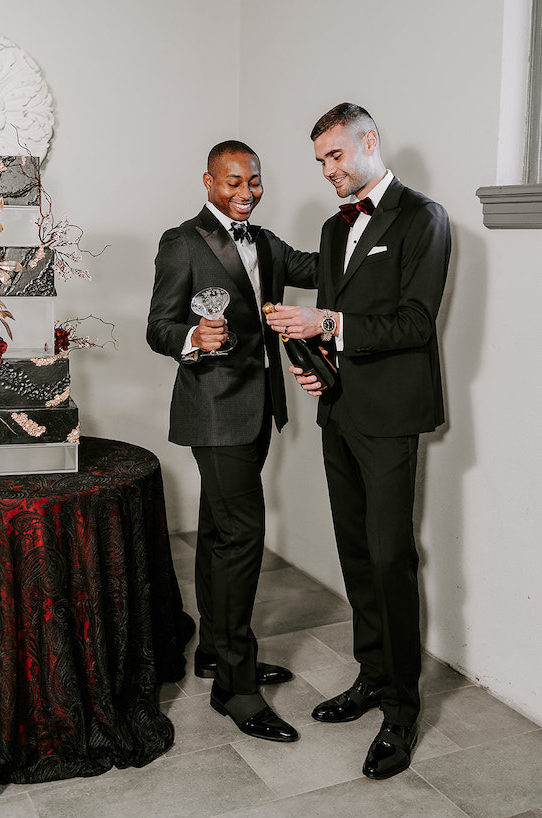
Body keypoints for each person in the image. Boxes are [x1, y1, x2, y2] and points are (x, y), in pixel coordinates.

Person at [265, 103, 451, 778]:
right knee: (356, 553)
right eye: (319, 161)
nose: (328, 171)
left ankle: (402, 710)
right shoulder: (331, 226)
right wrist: (321, 369)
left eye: (336, 156)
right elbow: (337, 326)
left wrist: (326, 322)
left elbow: (413, 324)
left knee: (391, 555)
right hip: (339, 414)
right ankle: (372, 674)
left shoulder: (423, 218)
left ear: (369, 142)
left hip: (391, 418)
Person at [147, 140, 318, 743]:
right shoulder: (182, 241)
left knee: (221, 532)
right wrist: (193, 334)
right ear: (208, 181)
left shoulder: (266, 242)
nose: (246, 193)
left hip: (259, 408)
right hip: (215, 412)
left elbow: (322, 269)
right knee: (243, 538)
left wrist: (373, 234)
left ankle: (215, 651)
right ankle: (237, 687)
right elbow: (158, 327)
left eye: (255, 182)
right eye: (233, 182)